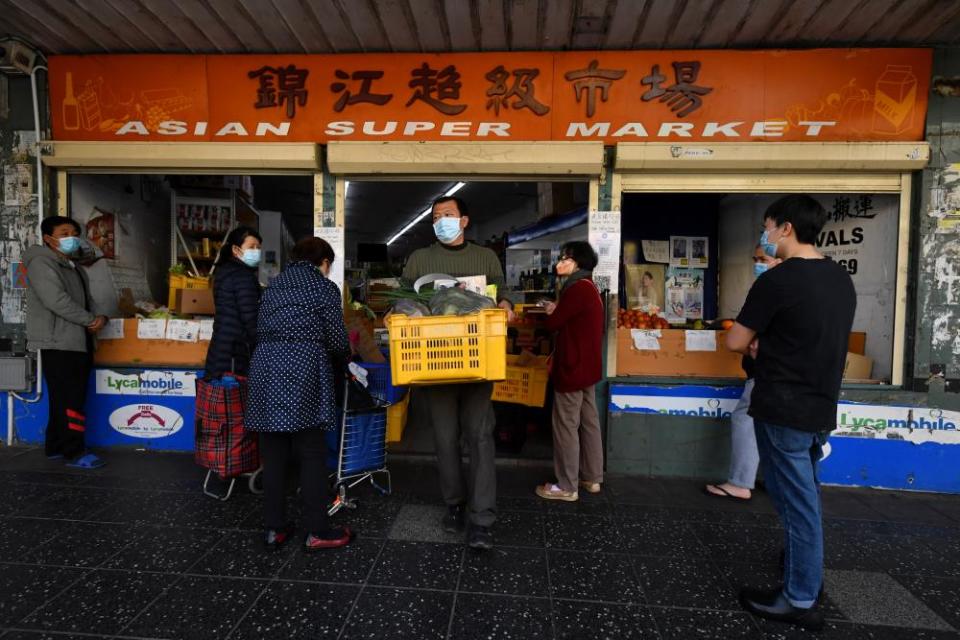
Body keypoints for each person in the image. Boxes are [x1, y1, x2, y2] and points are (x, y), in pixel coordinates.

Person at [726, 195, 856, 631]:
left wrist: (760, 341)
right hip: (821, 405)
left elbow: (734, 341)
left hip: (783, 407)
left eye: (767, 226)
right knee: (807, 496)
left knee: (796, 504)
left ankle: (799, 598)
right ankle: (806, 573)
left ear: (785, 228)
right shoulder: (840, 278)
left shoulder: (777, 282)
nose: (764, 235)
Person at [401, 195, 511, 550]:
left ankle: (482, 519)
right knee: (445, 440)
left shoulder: (485, 256)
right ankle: (455, 505)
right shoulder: (421, 259)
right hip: (436, 362)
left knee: (480, 438)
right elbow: (403, 296)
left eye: (447, 215)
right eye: (435, 217)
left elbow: (502, 294)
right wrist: (410, 309)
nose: (441, 221)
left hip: (480, 362)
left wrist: (506, 307)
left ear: (464, 221)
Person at [245, 237, 353, 552]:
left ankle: (274, 529)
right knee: (311, 451)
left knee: (274, 453)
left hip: (265, 365)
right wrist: (345, 357)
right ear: (324, 263)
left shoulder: (272, 286)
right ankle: (318, 530)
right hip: (303, 365)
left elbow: (257, 327)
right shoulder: (323, 288)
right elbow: (336, 339)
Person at [25, 216, 108, 469]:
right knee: (70, 399)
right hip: (58, 341)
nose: (71, 237)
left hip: (77, 339)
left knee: (63, 398)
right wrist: (88, 319)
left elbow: (86, 298)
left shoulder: (71, 265)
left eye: (74, 232)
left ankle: (55, 446)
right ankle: (74, 451)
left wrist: (97, 318)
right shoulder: (42, 263)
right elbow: (56, 301)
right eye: (64, 233)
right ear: (48, 238)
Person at [705, 245, 781, 501]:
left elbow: (738, 339)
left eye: (763, 259)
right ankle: (776, 480)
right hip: (782, 373)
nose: (757, 264)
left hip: (767, 370)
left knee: (746, 419)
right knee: (774, 426)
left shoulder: (771, 287)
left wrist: (750, 342)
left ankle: (740, 482)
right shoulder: (791, 287)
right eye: (755, 259)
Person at [535, 241, 605, 501]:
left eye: (566, 258)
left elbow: (554, 323)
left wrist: (551, 311)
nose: (560, 263)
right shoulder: (589, 287)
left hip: (572, 367)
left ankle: (566, 485)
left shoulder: (576, 289)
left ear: (579, 263)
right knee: (589, 423)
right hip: (587, 367)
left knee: (566, 424)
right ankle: (592, 478)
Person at [204, 226, 262, 380]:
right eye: (251, 247)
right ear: (236, 250)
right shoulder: (242, 277)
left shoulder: (224, 272)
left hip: (220, 348)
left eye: (258, 248)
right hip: (234, 354)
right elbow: (251, 319)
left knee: (220, 397)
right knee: (234, 399)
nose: (256, 251)